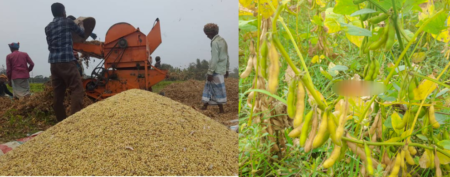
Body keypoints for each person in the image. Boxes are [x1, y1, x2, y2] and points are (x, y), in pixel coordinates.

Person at [45, 2, 85, 122]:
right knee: (77, 88)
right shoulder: (67, 22)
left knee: (58, 95)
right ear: (63, 12)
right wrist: (82, 24)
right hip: (67, 61)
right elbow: (81, 33)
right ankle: (74, 120)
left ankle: (61, 121)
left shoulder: (48, 27)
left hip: (53, 64)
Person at [201, 23, 229, 113]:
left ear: (210, 33)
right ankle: (205, 106)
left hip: (215, 70)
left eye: (207, 34)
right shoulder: (223, 40)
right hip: (221, 69)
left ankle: (221, 109)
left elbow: (215, 58)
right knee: (212, 88)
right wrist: (227, 69)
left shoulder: (214, 42)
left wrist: (210, 72)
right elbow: (226, 56)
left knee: (214, 88)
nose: (207, 36)